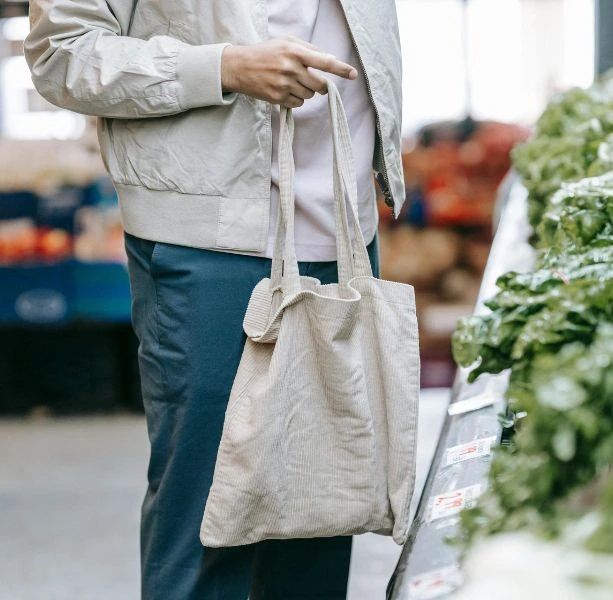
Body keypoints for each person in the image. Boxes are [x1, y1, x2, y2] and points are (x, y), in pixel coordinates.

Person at [24, 1, 405, 598]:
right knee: (206, 526)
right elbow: (59, 52)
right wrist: (222, 67)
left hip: (343, 233)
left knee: (320, 517)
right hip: (209, 239)